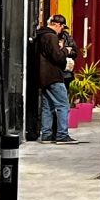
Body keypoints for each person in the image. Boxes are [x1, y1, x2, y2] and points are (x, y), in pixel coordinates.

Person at [30, 13, 71, 142]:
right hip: (53, 76)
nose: (62, 31)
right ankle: (62, 135)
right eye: (62, 27)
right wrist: (65, 50)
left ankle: (46, 134)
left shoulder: (40, 35)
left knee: (47, 106)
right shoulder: (51, 37)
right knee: (63, 105)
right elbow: (57, 57)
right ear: (58, 25)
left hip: (42, 77)